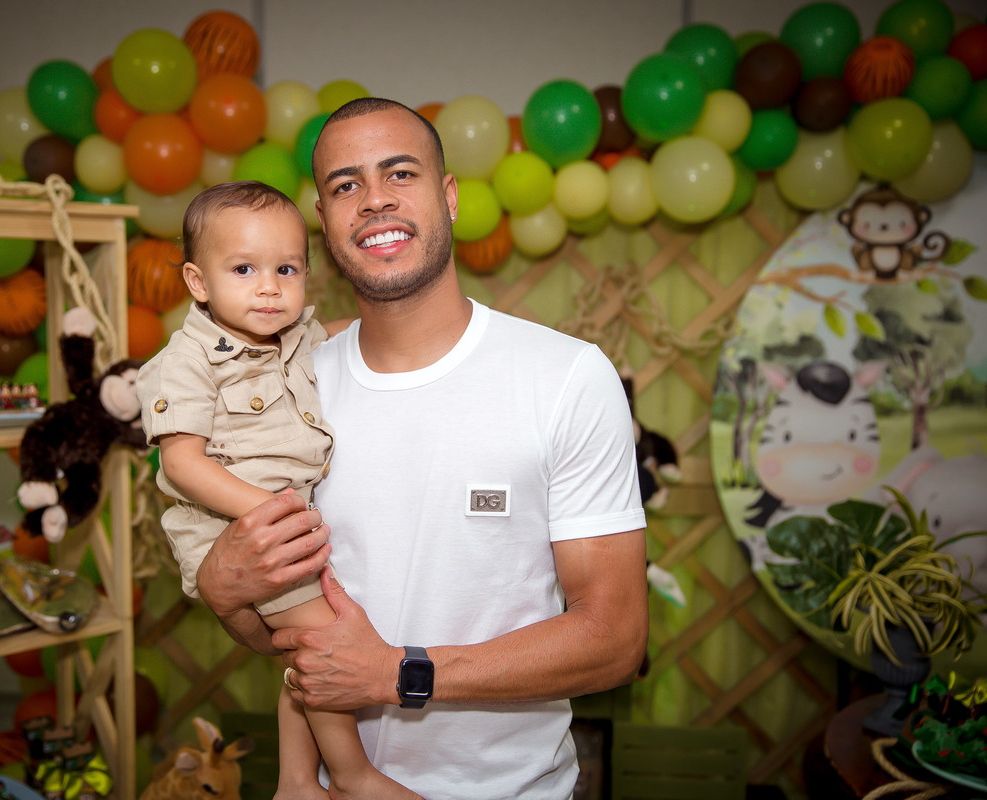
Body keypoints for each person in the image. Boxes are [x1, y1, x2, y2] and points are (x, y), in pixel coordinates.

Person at [195, 98, 650, 799]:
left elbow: (614, 638)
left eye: (400, 173)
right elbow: (290, 636)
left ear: (450, 196)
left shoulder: (565, 378)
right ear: (323, 222)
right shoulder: (286, 391)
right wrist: (226, 598)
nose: (374, 200)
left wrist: (399, 672)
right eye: (345, 185)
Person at [136, 180, 420, 800]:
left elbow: (343, 333)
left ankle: (295, 782)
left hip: (285, 522)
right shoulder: (186, 360)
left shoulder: (295, 337)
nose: (268, 287)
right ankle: (354, 777)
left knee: (300, 656)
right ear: (197, 282)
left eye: (286, 269)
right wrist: (267, 514)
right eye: (244, 269)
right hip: (233, 528)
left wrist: (399, 319)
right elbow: (182, 464)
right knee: (323, 646)